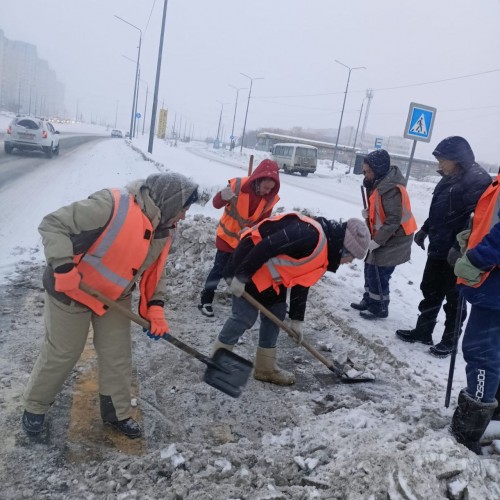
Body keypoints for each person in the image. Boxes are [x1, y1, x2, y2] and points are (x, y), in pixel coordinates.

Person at [22, 172, 199, 439]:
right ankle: (35, 407)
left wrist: (156, 308)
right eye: (184, 208)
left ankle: (116, 412)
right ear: (170, 201)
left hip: (114, 296)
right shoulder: (111, 205)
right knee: (64, 352)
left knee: (118, 354)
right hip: (72, 289)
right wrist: (63, 266)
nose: (184, 215)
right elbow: (53, 224)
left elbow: (155, 272)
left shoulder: (165, 230)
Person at [212, 212, 370, 385]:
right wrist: (241, 276)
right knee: (244, 317)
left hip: (270, 277)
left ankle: (265, 368)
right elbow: (267, 246)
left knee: (276, 313)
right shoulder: (309, 234)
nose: (349, 262)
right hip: (247, 263)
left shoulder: (324, 251)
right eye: (352, 257)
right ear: (344, 248)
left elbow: (301, 281)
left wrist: (296, 320)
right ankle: (218, 361)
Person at [395, 137, 492, 357]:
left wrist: (460, 248)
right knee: (430, 288)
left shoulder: (476, 180)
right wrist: (425, 229)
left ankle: (449, 340)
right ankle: (423, 331)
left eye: (443, 160)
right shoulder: (449, 177)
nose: (440, 165)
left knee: (454, 297)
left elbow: (474, 219)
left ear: (456, 159)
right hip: (439, 246)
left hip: (457, 252)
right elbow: (439, 209)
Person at [450, 171, 500, 454]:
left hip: (494, 283)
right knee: (494, 351)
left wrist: (475, 257)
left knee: (482, 352)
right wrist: (474, 239)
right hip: (493, 281)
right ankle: (493, 416)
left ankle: (467, 432)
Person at [198, 159, 280, 317]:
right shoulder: (237, 186)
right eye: (265, 187)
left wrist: (252, 229)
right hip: (226, 238)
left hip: (245, 240)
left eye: (270, 189)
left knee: (243, 271)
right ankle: (205, 299)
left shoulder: (270, 198)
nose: (266, 191)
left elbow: (263, 222)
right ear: (258, 179)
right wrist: (222, 195)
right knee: (219, 269)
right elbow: (216, 204)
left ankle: (242, 302)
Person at [350, 149, 417, 319]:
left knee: (378, 272)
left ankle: (379, 307)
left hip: (397, 238)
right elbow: (382, 211)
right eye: (364, 171)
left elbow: (394, 220)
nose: (365, 175)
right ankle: (369, 300)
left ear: (378, 169)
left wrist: (377, 242)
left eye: (368, 171)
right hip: (383, 234)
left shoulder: (392, 189)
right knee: (369, 267)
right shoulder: (378, 183)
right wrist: (368, 212)